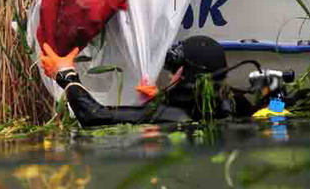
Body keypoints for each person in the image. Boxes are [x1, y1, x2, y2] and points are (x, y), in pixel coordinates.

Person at [39, 37, 254, 127]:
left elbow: (95, 115)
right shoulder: (236, 103)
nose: (170, 76)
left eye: (174, 70)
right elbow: (269, 107)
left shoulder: (172, 115)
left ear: (184, 73)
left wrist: (65, 75)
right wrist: (162, 97)